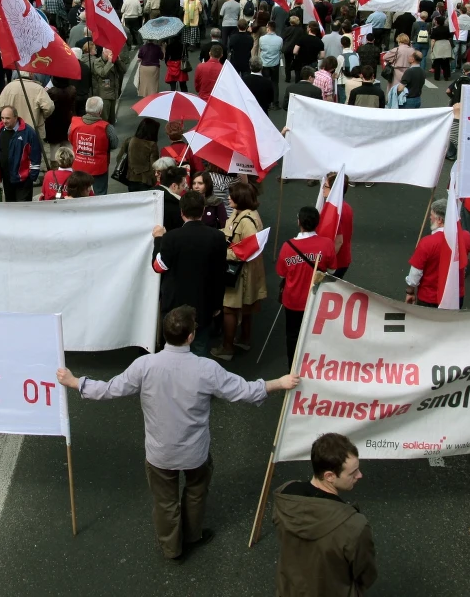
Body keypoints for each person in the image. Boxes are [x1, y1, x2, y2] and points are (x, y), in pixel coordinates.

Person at [55, 305, 300, 560]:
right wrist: (279, 383)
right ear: (191, 336)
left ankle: (172, 548)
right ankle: (193, 535)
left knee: (165, 502)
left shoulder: (144, 365)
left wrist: (75, 382)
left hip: (160, 453)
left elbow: (110, 389)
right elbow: (245, 392)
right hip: (195, 453)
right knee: (195, 492)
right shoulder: (206, 369)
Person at [272, 432, 377, 596]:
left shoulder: (285, 494)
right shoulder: (354, 526)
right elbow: (366, 573)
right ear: (329, 476)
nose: (360, 475)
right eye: (353, 473)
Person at [152, 190, 227, 351]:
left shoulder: (171, 238)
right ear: (203, 210)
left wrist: (158, 239)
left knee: (173, 349)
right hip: (205, 303)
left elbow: (158, 266)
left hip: (174, 305)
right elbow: (221, 274)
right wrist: (217, 305)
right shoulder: (217, 237)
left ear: (182, 212)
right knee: (200, 349)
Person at [218, 181, 267, 360]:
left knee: (229, 309)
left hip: (240, 273)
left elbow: (247, 250)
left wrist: (223, 252)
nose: (228, 198)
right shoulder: (246, 214)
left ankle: (227, 348)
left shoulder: (247, 222)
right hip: (248, 271)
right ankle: (244, 339)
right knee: (247, 308)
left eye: (232, 196)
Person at [276, 206, 332, 361]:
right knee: (314, 334)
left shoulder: (288, 246)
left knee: (293, 335)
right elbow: (333, 270)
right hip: (317, 299)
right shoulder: (327, 244)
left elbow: (281, 273)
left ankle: (292, 368)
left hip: (293, 299)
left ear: (299, 222)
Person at [403, 198, 470, 307]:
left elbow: (415, 274)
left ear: (439, 220)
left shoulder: (427, 243)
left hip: (430, 298)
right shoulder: (466, 237)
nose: (430, 218)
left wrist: (410, 292)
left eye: (432, 215)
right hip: (455, 295)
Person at [69, 97, 118, 195]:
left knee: (78, 193)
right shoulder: (107, 127)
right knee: (100, 194)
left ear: (86, 108)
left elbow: (70, 139)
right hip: (99, 167)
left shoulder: (74, 124)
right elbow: (114, 144)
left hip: (79, 165)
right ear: (100, 111)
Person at [0, 105, 43, 202]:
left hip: (23, 179)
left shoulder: (28, 132)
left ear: (15, 117)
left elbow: (35, 154)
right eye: (2, 118)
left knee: (23, 208)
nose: (4, 121)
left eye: (7, 118)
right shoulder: (0, 129)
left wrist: (32, 176)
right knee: (10, 205)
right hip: (7, 178)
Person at [0, 70, 56, 139]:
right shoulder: (38, 89)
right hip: (33, 130)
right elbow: (49, 107)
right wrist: (41, 116)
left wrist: (8, 115)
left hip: (12, 128)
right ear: (31, 74)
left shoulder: (8, 87)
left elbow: (0, 105)